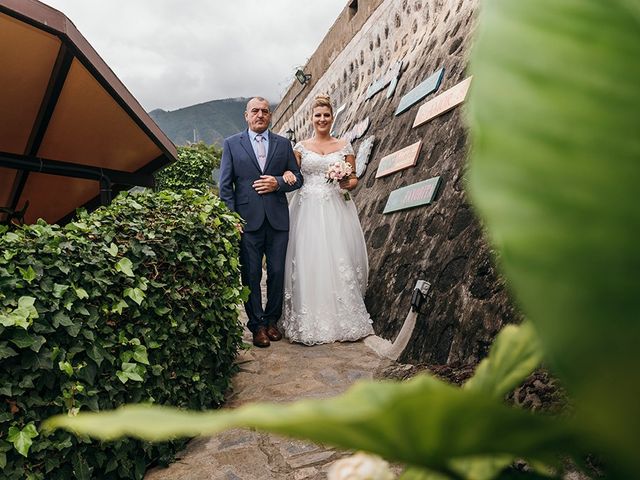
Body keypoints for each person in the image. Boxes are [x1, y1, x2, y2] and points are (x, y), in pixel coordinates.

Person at [279, 94, 374, 345]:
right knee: (309, 260)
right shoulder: (299, 147)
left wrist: (346, 181)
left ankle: (343, 318)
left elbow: (353, 179)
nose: (322, 119)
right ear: (311, 119)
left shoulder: (344, 146)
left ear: (333, 117)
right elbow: (292, 174)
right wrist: (287, 174)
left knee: (337, 257)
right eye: (318, 115)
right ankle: (308, 320)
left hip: (335, 207)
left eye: (326, 115)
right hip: (306, 207)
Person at [219, 97, 303, 348]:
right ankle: (256, 326)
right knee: (252, 275)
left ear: (270, 116)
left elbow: (298, 178)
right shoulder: (232, 144)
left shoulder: (283, 143)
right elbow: (225, 187)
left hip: (277, 220)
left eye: (265, 111)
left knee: (277, 272)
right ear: (246, 115)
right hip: (247, 222)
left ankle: (271, 321)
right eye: (255, 111)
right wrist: (232, 218)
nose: (260, 115)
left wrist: (278, 182)